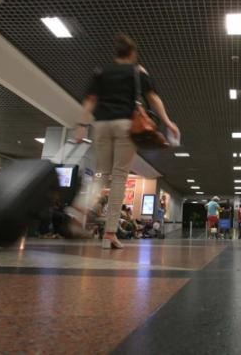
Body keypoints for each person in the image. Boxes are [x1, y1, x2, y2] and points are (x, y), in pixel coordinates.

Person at [75, 34, 180, 249]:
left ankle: (80, 206)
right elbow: (153, 98)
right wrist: (168, 122)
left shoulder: (101, 72)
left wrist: (81, 126)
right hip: (125, 124)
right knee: (120, 175)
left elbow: (90, 100)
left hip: (101, 124)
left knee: (101, 173)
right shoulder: (137, 71)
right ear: (132, 54)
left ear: (116, 53)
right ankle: (110, 235)